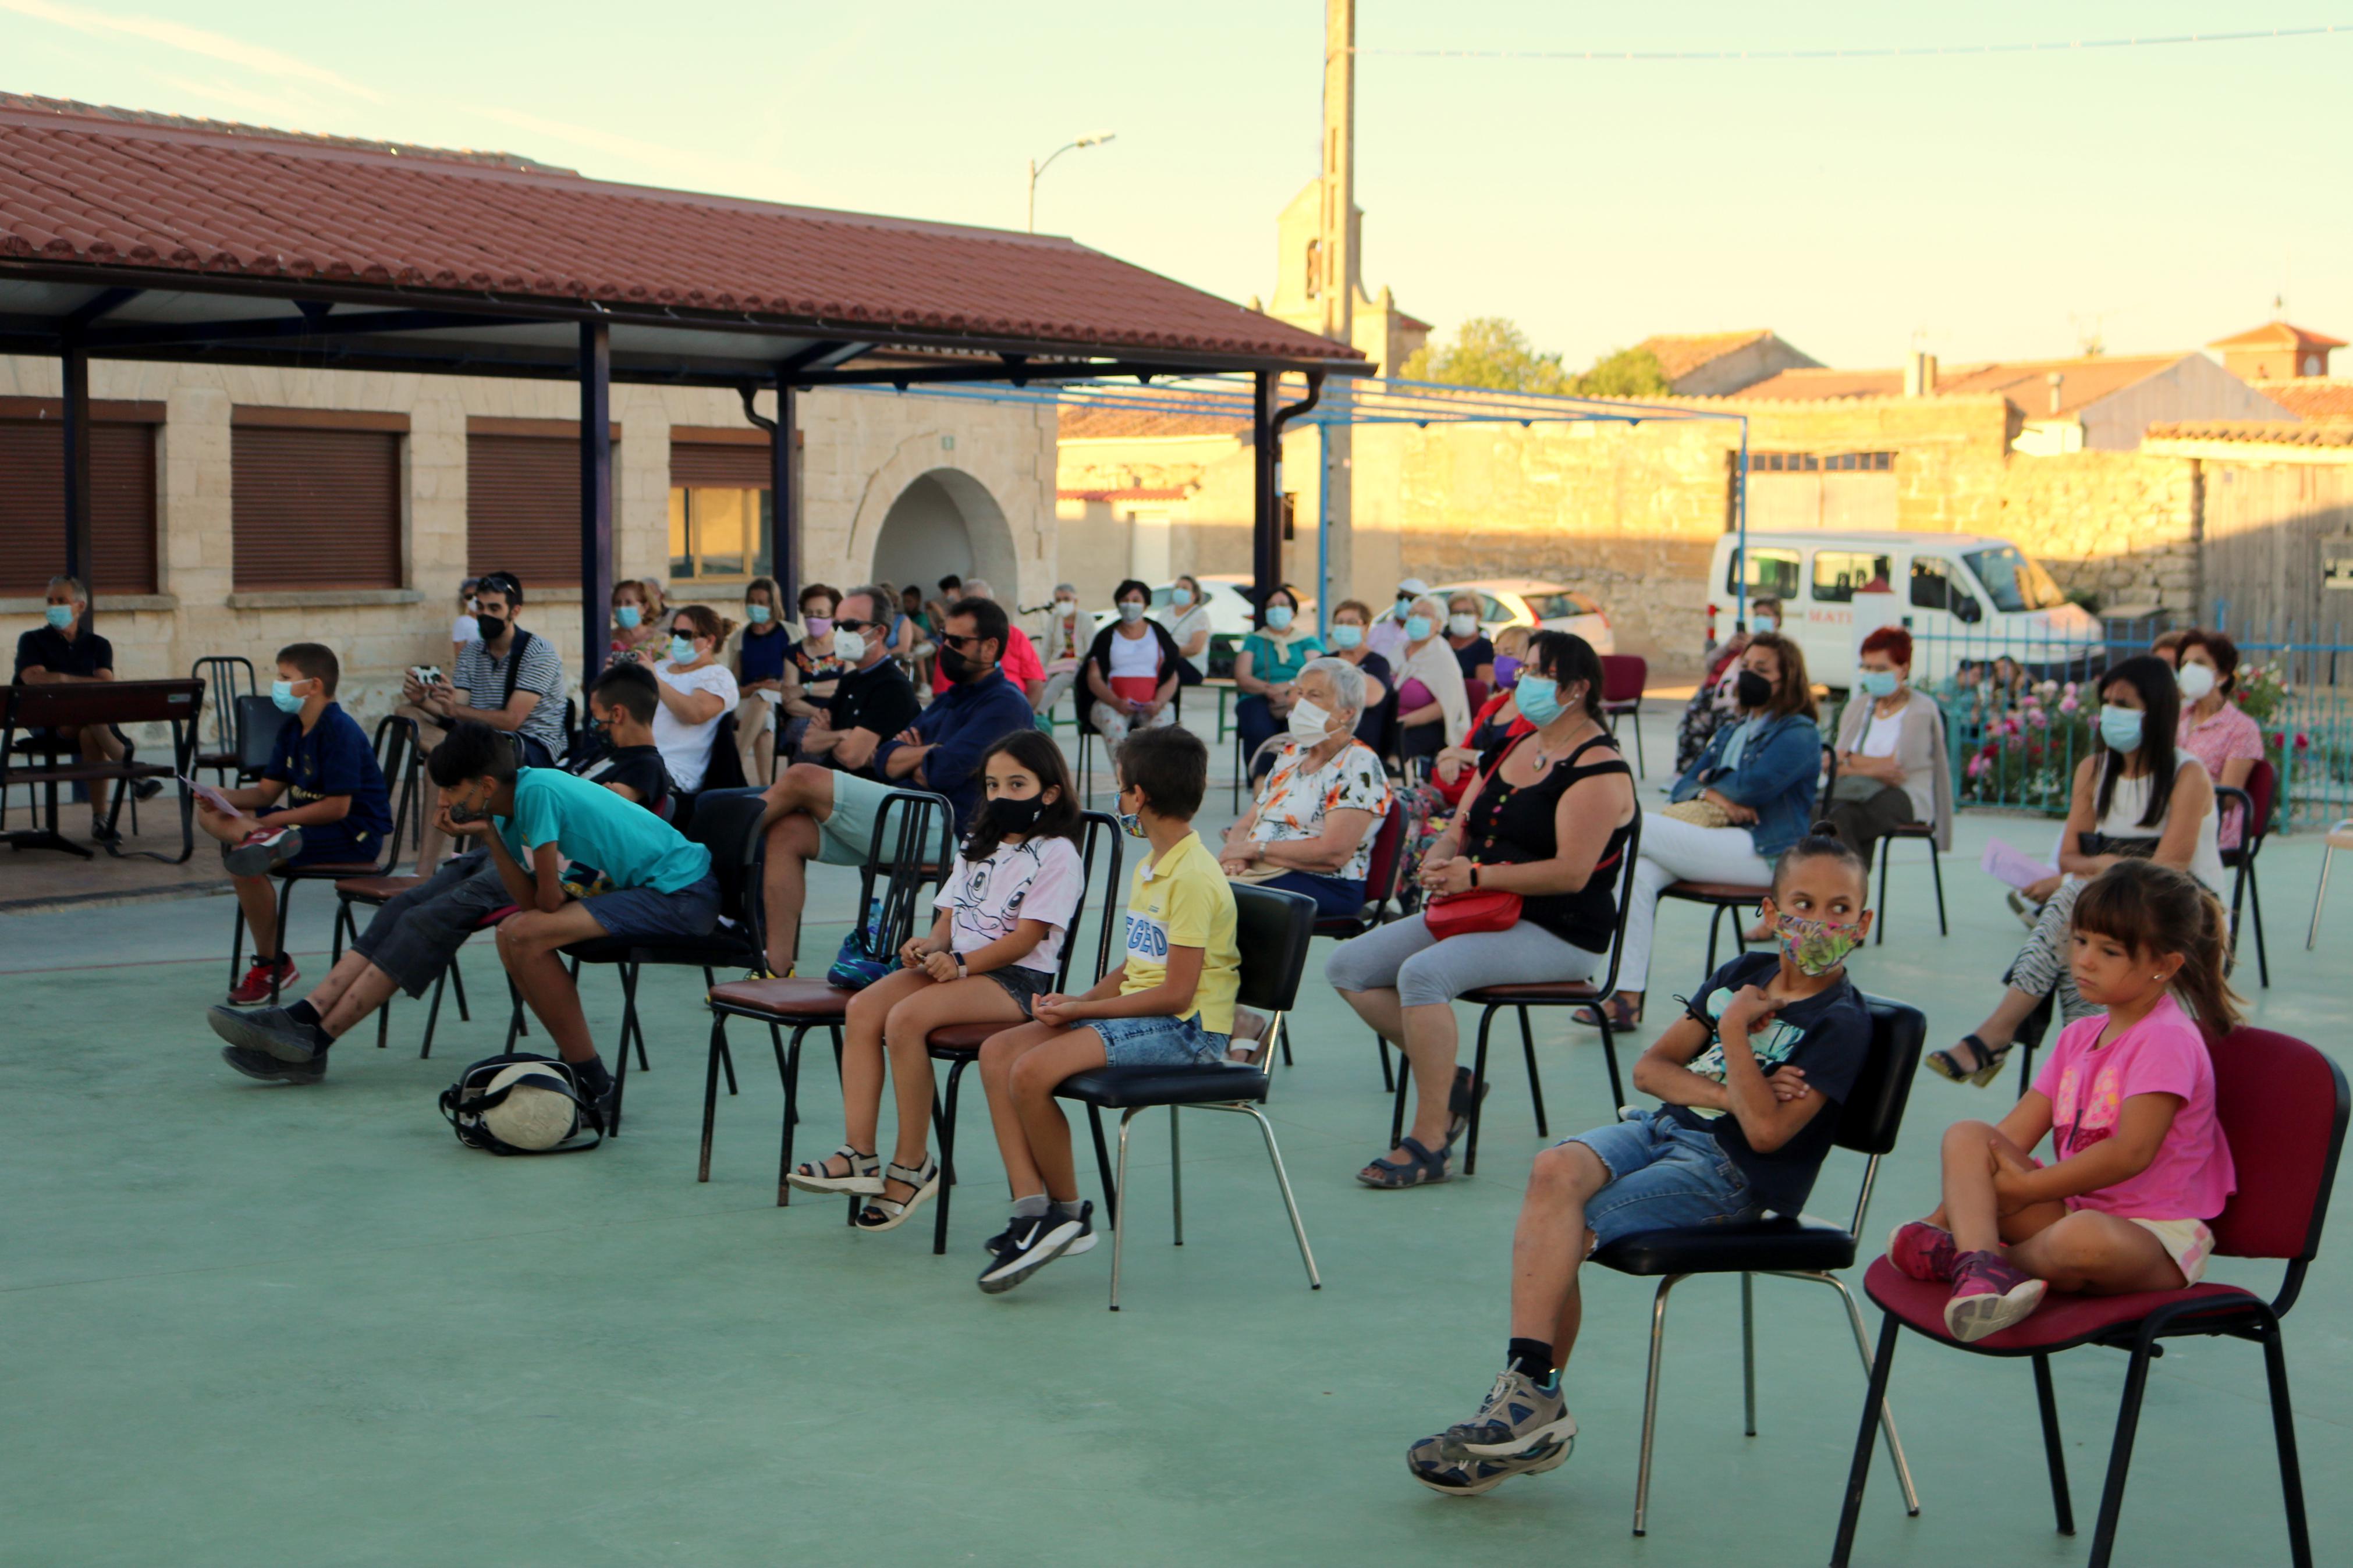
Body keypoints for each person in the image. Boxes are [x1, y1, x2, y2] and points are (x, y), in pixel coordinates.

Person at [1403, 833, 1875, 1495]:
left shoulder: (1841, 1023)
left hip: (1728, 1174)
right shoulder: (1741, 973)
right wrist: (1735, 1091)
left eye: (1837, 908)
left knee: (1574, 1222)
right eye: (1801, 903)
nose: (1818, 923)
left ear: (1862, 922)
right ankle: (1531, 1399)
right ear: (1770, 912)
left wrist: (1735, 1033)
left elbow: (1766, 1134)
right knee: (1552, 1171)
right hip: (1658, 1130)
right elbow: (1652, 1068)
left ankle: (1528, 1405)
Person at [206, 663, 674, 1082]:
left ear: (616, 714)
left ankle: (317, 1043)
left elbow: (607, 826)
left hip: (551, 870)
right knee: (408, 903)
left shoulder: (644, 767)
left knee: (424, 920)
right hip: (510, 848)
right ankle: (304, 1014)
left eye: (594, 714)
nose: (590, 724)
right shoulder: (592, 757)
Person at [1330, 634, 1636, 1187]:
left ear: (1576, 688)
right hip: (1484, 907)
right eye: (1524, 671)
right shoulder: (1511, 747)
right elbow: (1461, 823)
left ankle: (1428, 1142)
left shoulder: (1598, 769)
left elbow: (1571, 872)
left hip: (1558, 929)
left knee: (1422, 974)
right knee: (1348, 967)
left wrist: (1475, 874)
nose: (1523, 682)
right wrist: (1443, 855)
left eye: (1538, 672)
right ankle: (1454, 1081)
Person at [1888, 861, 2238, 1342]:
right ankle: (1977, 1262)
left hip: (2153, 1238)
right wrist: (1939, 1217)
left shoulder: (2166, 1040)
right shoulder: (2079, 1035)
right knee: (1968, 1135)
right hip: (2071, 1209)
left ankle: (1975, 1260)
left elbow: (2129, 1153)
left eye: (2108, 950)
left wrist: (2025, 1192)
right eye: (2079, 941)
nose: (2085, 961)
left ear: (2165, 964)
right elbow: (2012, 1134)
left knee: (2082, 1238)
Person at [972, 726, 1238, 1293]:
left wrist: (1087, 1015)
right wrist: (1079, 1002)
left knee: (1032, 1070)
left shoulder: (1190, 876)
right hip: (1145, 1014)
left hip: (1187, 1032)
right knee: (998, 1051)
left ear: (1138, 796)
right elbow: (1138, 964)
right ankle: (1030, 1210)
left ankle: (1067, 1215)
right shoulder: (1152, 864)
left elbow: (1177, 994)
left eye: (1119, 789)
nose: (1117, 801)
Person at [785, 731, 1087, 1232]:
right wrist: (928, 944)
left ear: (1049, 792)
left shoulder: (1057, 853)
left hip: (1014, 980)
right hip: (959, 966)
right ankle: (859, 1153)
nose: (1001, 795)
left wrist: (963, 963)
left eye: (1017, 783)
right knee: (862, 1008)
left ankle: (912, 1165)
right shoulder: (978, 843)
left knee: (905, 1019)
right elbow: (949, 916)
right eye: (993, 784)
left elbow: (1027, 937)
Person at [1930, 655, 2223, 1085]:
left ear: (2155, 710)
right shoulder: (2094, 770)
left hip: (2182, 914)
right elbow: (2067, 856)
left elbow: (2170, 868)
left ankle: (2002, 1035)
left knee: (2074, 903)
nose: (2109, 713)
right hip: (2112, 908)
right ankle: (2088, 1070)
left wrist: (2102, 866)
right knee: (2079, 932)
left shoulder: (2187, 775)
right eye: (2105, 701)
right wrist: (2103, 869)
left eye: (2122, 704)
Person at [432, 719, 716, 1106]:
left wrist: (533, 895)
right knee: (511, 932)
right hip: (649, 892)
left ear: (485, 786)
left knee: (523, 933)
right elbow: (532, 905)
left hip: (681, 893)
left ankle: (595, 1082)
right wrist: (489, 836)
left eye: (451, 788)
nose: (444, 800)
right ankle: (583, 1072)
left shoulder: (536, 793)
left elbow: (547, 905)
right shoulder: (502, 812)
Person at [747, 596, 1036, 976]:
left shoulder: (1005, 705)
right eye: (943, 638)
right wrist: (923, 752)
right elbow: (885, 758)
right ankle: (776, 969)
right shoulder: (950, 700)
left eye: (957, 642)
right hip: (912, 813)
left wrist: (918, 755)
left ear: (990, 647)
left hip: (955, 829)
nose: (945, 648)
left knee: (803, 778)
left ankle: (730, 843)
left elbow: (942, 772)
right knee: (787, 831)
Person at [1602, 632, 1822, 1029]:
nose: (1749, 677)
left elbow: (1755, 787)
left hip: (1768, 855)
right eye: (1746, 668)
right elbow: (1684, 783)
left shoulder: (1799, 732)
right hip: (1720, 841)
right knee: (1637, 872)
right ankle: (1625, 998)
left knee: (1637, 825)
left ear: (1787, 678)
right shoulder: (1731, 730)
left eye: (1762, 670)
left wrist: (1717, 785)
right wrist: (1714, 793)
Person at [194, 643, 393, 1005]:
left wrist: (274, 820)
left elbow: (337, 807)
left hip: (351, 835)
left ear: (313, 685)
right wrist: (220, 794)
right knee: (211, 816)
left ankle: (272, 964)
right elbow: (266, 793)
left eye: (285, 678)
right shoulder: (292, 729)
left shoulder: (340, 730)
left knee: (246, 863)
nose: (278, 685)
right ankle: (263, 839)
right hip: (299, 830)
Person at [400, 571, 567, 875]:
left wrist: (456, 711)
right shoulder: (473, 652)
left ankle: (423, 871)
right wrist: (422, 699)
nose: (484, 615)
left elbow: (513, 720)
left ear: (514, 612)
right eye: (480, 607)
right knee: (405, 713)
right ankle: (446, 753)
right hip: (480, 738)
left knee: (439, 769)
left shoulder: (538, 652)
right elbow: (457, 708)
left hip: (529, 745)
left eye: (494, 609)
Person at [1219, 656, 1390, 920]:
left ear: (1347, 712)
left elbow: (1334, 852)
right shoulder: (1293, 755)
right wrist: (1236, 858)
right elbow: (1248, 823)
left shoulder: (1358, 764)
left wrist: (1253, 850)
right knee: (1187, 888)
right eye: (1299, 693)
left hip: (1327, 883)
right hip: (1266, 868)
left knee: (1216, 902)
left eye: (1314, 695)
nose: (1300, 703)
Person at [12, 574, 158, 842]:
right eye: (50, 601)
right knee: (91, 715)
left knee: (90, 729)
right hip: (47, 723)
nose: (53, 606)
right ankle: (134, 772)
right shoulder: (32, 640)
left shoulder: (97, 645)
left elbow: (106, 683)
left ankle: (100, 821)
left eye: (61, 600)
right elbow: (34, 679)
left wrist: (62, 679)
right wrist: (73, 680)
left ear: (79, 606)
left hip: (88, 724)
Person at [1823, 626, 1952, 871]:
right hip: (1856, 791)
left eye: (1881, 669)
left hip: (1905, 795)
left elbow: (1897, 770)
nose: (1872, 674)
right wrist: (1869, 767)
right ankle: (1842, 892)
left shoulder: (1921, 710)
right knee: (1817, 811)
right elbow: (1831, 764)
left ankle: (1850, 893)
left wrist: (1848, 761)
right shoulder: (1858, 708)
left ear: (1903, 669)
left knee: (1839, 817)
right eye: (1867, 668)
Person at [793, 585, 921, 779]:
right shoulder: (849, 680)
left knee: (794, 779)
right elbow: (809, 743)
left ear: (879, 632)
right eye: (837, 626)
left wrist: (830, 738)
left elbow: (852, 757)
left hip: (864, 795)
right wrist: (843, 735)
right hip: (831, 784)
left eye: (851, 626)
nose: (842, 634)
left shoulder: (892, 686)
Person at [2173, 629, 2264, 851]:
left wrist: (2182, 794)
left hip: (2213, 825)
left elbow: (2230, 797)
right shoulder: (2178, 718)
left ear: (2222, 675)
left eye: (2199, 663)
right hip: (2169, 814)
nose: (2189, 670)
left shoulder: (2241, 728)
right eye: (2184, 664)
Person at [1676, 595, 1781, 774]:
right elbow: (1710, 663)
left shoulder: (1776, 648)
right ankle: (1687, 773)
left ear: (1777, 619)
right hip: (1713, 693)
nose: (1759, 620)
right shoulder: (1741, 641)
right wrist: (1728, 647)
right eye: (1756, 615)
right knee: (1691, 728)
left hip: (1735, 701)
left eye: (1765, 615)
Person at [1233, 583, 1324, 776]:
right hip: (1258, 695)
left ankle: (1295, 779)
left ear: (1293, 611)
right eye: (1271, 606)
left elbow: (1316, 672)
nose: (1277, 610)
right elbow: (1242, 676)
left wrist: (1290, 688)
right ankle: (1260, 779)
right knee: (1258, 728)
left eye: (1282, 605)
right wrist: (1269, 689)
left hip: (1299, 697)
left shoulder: (1307, 641)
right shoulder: (1254, 640)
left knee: (1299, 733)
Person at [651, 603, 739, 794]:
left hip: (675, 770)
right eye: (673, 633)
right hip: (639, 756)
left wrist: (655, 680)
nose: (676, 640)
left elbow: (694, 713)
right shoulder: (659, 667)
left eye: (685, 635)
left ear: (709, 641)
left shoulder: (718, 676)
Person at [1083, 578, 1183, 744]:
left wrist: (1158, 703)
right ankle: (1124, 769)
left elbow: (1172, 676)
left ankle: (1151, 771)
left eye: (1136, 600)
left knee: (1159, 734)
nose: (1130, 605)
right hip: (1112, 703)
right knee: (1114, 728)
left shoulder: (1159, 635)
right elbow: (1094, 677)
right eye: (1125, 600)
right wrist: (1115, 702)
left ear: (1146, 605)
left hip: (1153, 704)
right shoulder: (1106, 637)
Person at [1390, 592, 1472, 768]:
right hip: (1392, 720)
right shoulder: (1398, 651)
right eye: (1412, 614)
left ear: (1438, 624)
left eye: (1424, 615)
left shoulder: (1442, 656)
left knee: (1394, 747)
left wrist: (1403, 722)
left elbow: (1446, 704)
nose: (1415, 619)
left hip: (1424, 726)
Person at [941, 579, 1046, 705]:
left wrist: (1025, 715)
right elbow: (942, 694)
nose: (978, 613)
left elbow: (1035, 683)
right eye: (970, 607)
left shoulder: (1016, 636)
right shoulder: (951, 643)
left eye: (983, 606)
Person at [733, 577, 791, 784]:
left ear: (772, 605)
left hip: (782, 697)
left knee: (764, 697)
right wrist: (752, 688)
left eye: (762, 602)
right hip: (748, 699)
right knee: (766, 721)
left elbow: (797, 680)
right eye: (752, 601)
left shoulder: (789, 634)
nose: (755, 607)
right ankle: (767, 787)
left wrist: (772, 687)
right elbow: (734, 687)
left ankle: (735, 761)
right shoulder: (741, 637)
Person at [778, 582, 844, 758]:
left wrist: (805, 689)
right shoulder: (793, 653)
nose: (814, 619)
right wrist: (817, 713)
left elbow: (846, 687)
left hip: (842, 718)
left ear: (834, 615)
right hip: (805, 719)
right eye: (809, 613)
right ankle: (807, 784)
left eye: (821, 614)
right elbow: (789, 701)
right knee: (810, 739)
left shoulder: (846, 648)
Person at [1325, 598, 1394, 750]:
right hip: (1324, 732)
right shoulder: (1325, 661)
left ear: (1366, 627)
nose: (1344, 627)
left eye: (1351, 622)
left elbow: (1369, 698)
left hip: (1362, 736)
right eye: (1340, 622)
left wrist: (1325, 692)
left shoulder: (1378, 663)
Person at [1035, 582, 1089, 714]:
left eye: (1066, 599)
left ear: (1075, 601)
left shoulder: (1086, 619)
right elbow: (1047, 647)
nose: (1062, 603)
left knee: (1058, 682)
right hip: (1057, 663)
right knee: (1038, 682)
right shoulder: (1054, 619)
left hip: (1077, 665)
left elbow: (1090, 648)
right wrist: (1042, 669)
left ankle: (1037, 712)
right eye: (1058, 600)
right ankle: (1027, 707)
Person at [1365, 576, 1429, 665]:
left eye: (1411, 599)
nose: (1404, 602)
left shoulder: (1423, 633)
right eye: (1401, 597)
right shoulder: (1379, 630)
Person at [1163, 574, 1214, 674]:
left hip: (1191, 666)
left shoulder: (1200, 616)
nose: (1179, 591)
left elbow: (1195, 648)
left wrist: (1169, 653)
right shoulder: (1166, 612)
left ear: (1194, 595)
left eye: (1185, 588)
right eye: (1177, 588)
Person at [1443, 591, 1496, 685]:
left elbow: (1483, 685)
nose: (1461, 617)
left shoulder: (1485, 647)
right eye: (1455, 613)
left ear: (1479, 616)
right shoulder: (1441, 640)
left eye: (1467, 612)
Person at [608, 578, 665, 663]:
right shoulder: (606, 640)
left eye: (628, 603)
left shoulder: (661, 641)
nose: (622, 608)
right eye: (618, 603)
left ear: (645, 607)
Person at [891, 583, 936, 687]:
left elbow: (922, 636)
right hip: (905, 646)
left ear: (918, 601)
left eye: (910, 602)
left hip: (921, 644)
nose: (907, 605)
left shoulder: (921, 618)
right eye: (905, 602)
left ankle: (925, 684)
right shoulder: (902, 617)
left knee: (916, 649)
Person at [449, 577, 481, 666]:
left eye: (477, 595)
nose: (474, 599)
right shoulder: (462, 622)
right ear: (464, 600)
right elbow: (460, 655)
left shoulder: (493, 620)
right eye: (469, 597)